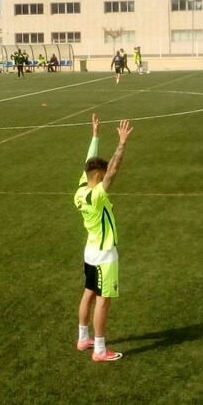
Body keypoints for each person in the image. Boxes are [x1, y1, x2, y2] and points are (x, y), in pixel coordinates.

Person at [74, 113, 133, 362]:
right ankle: (99, 349)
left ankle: (82, 337)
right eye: (103, 172)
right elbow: (113, 171)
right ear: (98, 176)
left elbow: (90, 162)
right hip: (104, 254)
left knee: (89, 292)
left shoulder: (81, 189)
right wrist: (121, 144)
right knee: (103, 300)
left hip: (90, 251)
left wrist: (95, 136)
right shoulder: (97, 196)